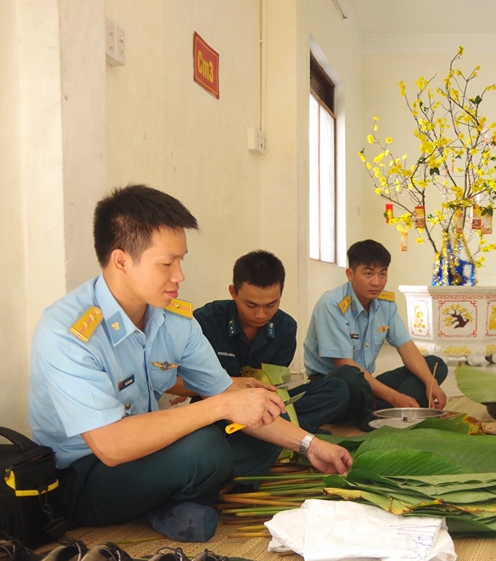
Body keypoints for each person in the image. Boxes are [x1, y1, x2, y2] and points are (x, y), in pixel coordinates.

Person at [28, 185, 352, 542]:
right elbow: (111, 446)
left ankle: (169, 502)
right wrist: (221, 406)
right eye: (167, 264)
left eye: (181, 260)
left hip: (151, 452)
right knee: (206, 449)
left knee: (259, 426)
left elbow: (228, 395)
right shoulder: (68, 331)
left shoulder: (174, 320)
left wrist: (310, 445)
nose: (179, 275)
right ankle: (175, 500)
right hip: (86, 474)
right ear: (121, 261)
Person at [191, 250, 349, 434]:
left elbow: (275, 389)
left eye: (270, 305)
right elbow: (177, 382)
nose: (260, 315)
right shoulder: (205, 322)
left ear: (281, 293)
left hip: (266, 405)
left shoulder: (285, 329)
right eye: (251, 305)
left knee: (337, 389)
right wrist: (230, 383)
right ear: (233, 292)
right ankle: (290, 432)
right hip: (217, 407)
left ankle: (279, 432)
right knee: (206, 432)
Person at [303, 240, 449, 429]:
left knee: (434, 366)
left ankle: (379, 413)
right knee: (349, 374)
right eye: (368, 273)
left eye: (382, 274)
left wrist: (431, 383)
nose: (376, 282)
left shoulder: (385, 303)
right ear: (350, 274)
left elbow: (406, 347)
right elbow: (344, 363)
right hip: (335, 386)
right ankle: (388, 411)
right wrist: (395, 397)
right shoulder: (332, 304)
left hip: (367, 383)